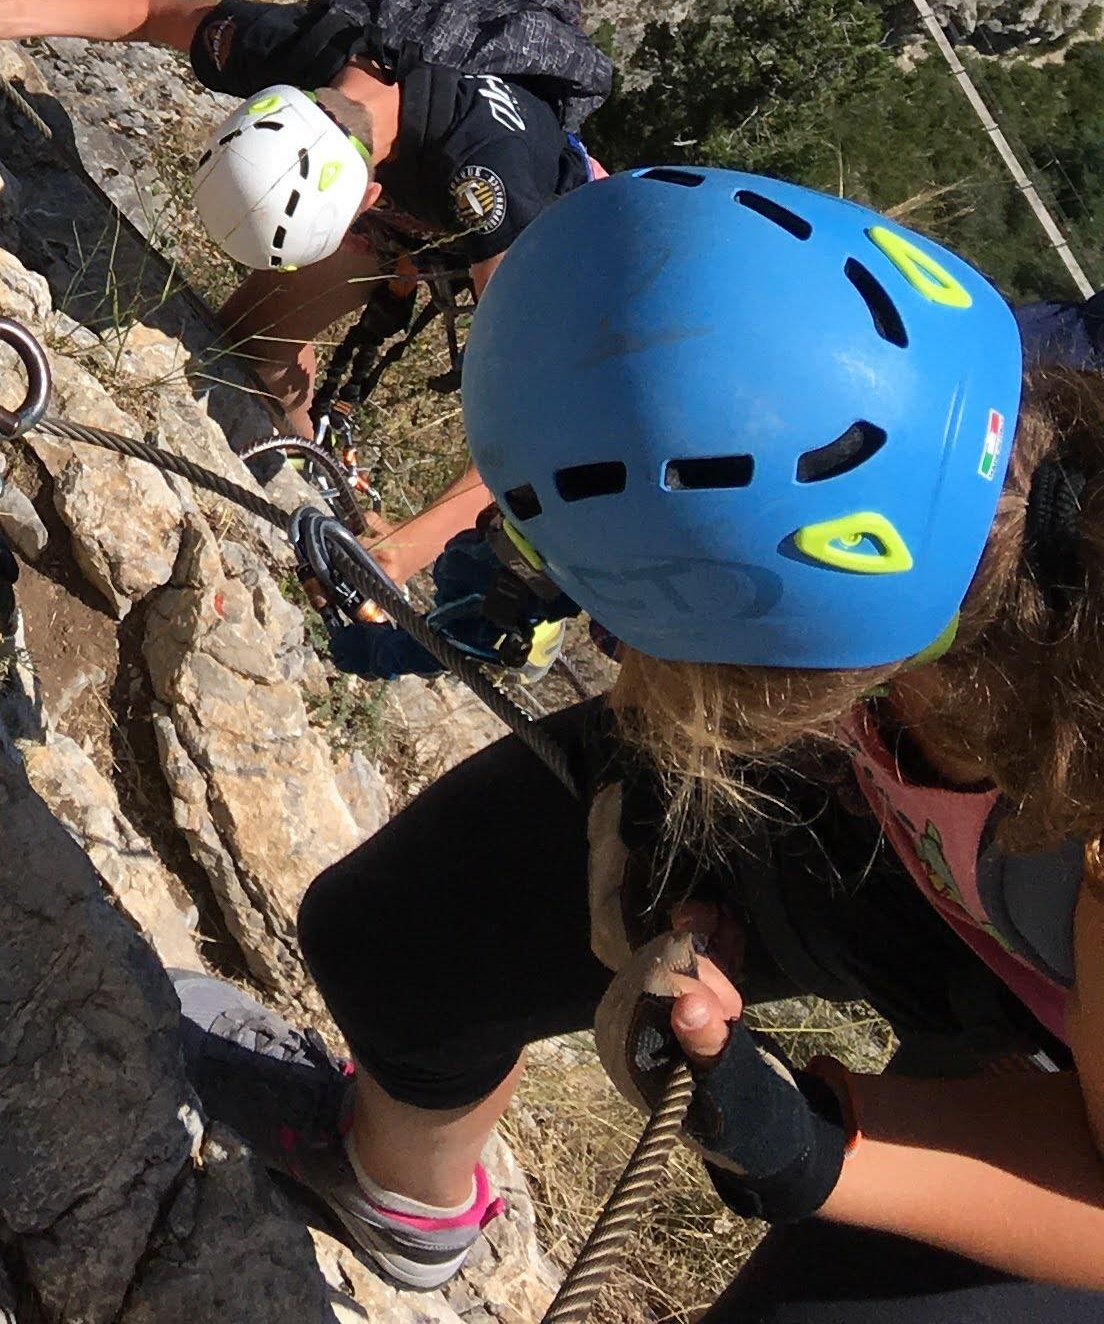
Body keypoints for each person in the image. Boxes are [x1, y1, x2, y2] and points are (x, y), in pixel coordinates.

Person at [187, 163, 1104, 1314]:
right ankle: (403, 1203)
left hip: (1061, 1009)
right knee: (406, 935)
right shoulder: (973, 454)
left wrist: (816, 1144)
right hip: (921, 808)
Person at [0, 0, 606, 583]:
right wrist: (2, 16)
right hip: (403, 185)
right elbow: (152, 13)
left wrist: (409, 547)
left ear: (367, 202)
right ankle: (316, 474)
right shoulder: (297, 48)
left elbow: (537, 416)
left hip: (543, 226)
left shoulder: (491, 186)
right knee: (250, 351)